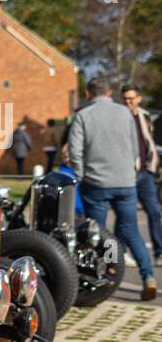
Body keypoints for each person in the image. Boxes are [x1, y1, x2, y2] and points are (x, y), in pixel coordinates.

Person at [68, 77, 157, 301]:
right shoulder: (125, 113)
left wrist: (80, 174)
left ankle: (110, 276)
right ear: (109, 93)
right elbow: (135, 147)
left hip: (96, 182)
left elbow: (75, 152)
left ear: (89, 94)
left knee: (101, 234)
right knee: (131, 230)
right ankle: (148, 276)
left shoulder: (83, 116)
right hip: (126, 181)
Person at [122, 84, 161, 262]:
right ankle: (120, 253)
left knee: (154, 211)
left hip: (146, 172)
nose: (127, 102)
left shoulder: (145, 116)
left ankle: (159, 251)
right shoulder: (120, 117)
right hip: (126, 172)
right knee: (125, 214)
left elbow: (149, 141)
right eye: (125, 98)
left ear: (138, 99)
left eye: (131, 98)